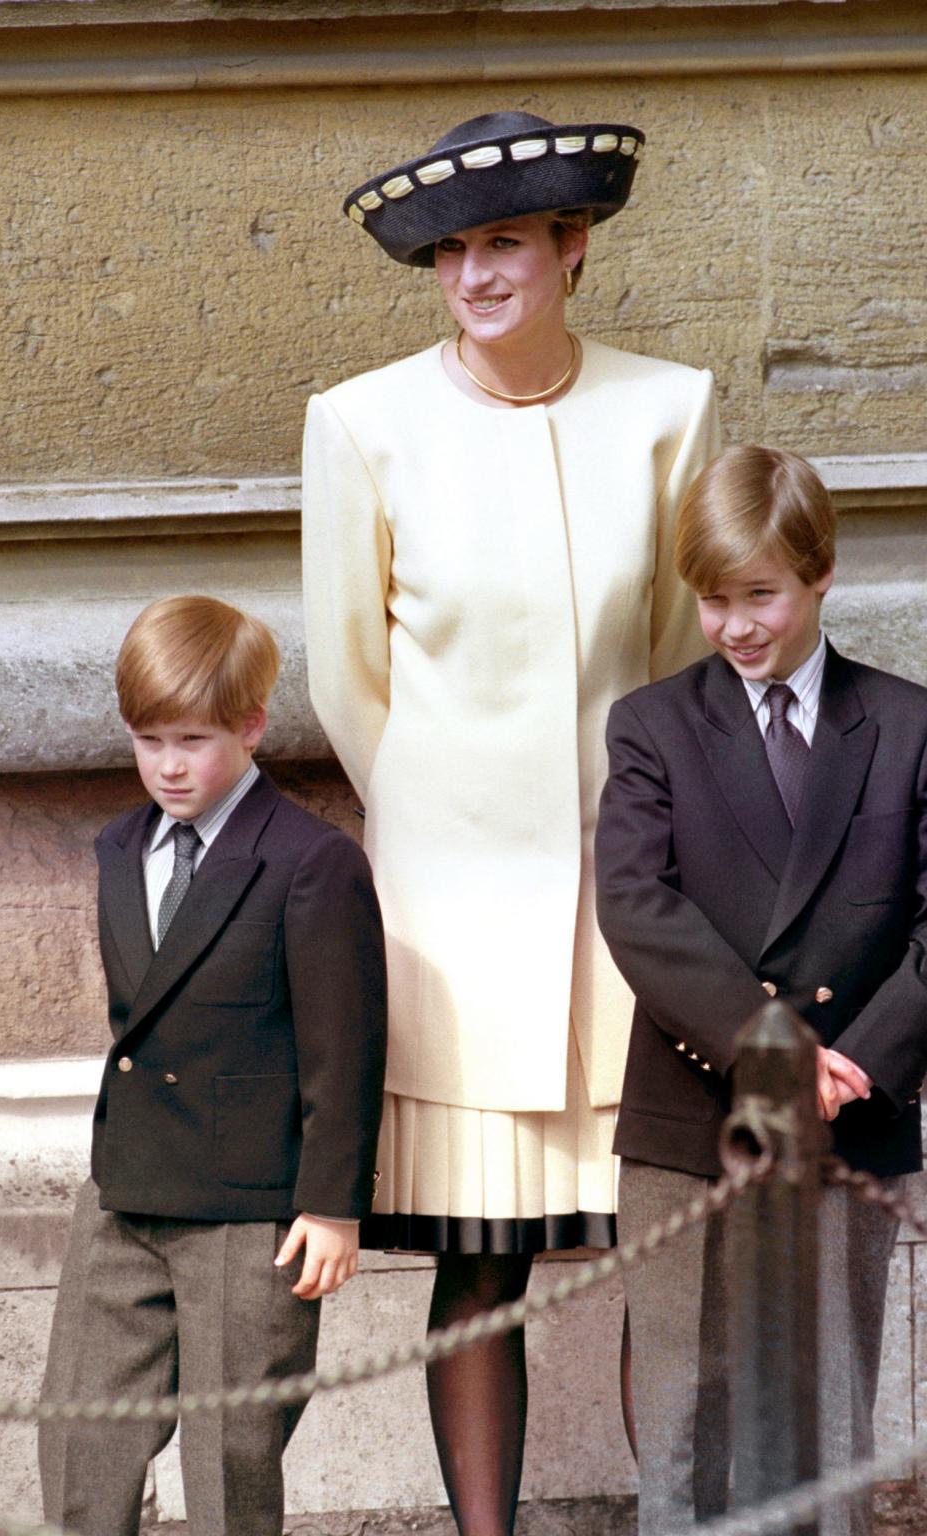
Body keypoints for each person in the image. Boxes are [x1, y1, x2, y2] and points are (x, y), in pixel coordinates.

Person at [302, 109, 721, 1535]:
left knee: (653, 1260)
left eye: (505, 245)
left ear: (571, 246)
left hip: (632, 906)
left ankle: (678, 1513)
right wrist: (439, 825)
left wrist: (645, 838)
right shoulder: (362, 423)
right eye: (453, 252)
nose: (476, 275)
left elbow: (676, 659)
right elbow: (348, 675)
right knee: (481, 1266)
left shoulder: (671, 408)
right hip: (452, 923)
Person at [595, 445, 927, 1535]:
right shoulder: (651, 727)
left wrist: (857, 1060)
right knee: (689, 1409)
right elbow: (639, 907)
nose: (735, 625)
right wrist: (770, 1043)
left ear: (821, 572)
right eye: (712, 600)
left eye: (760, 596)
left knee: (829, 1413)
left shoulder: (908, 724)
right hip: (695, 1114)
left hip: (852, 1109)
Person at [38, 594, 387, 1536]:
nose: (169, 765)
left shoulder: (311, 862)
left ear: (252, 724)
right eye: (148, 740)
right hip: (128, 1191)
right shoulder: (120, 848)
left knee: (229, 1456)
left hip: (249, 1208)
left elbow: (344, 1047)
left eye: (192, 738)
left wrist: (331, 1204)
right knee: (78, 1434)